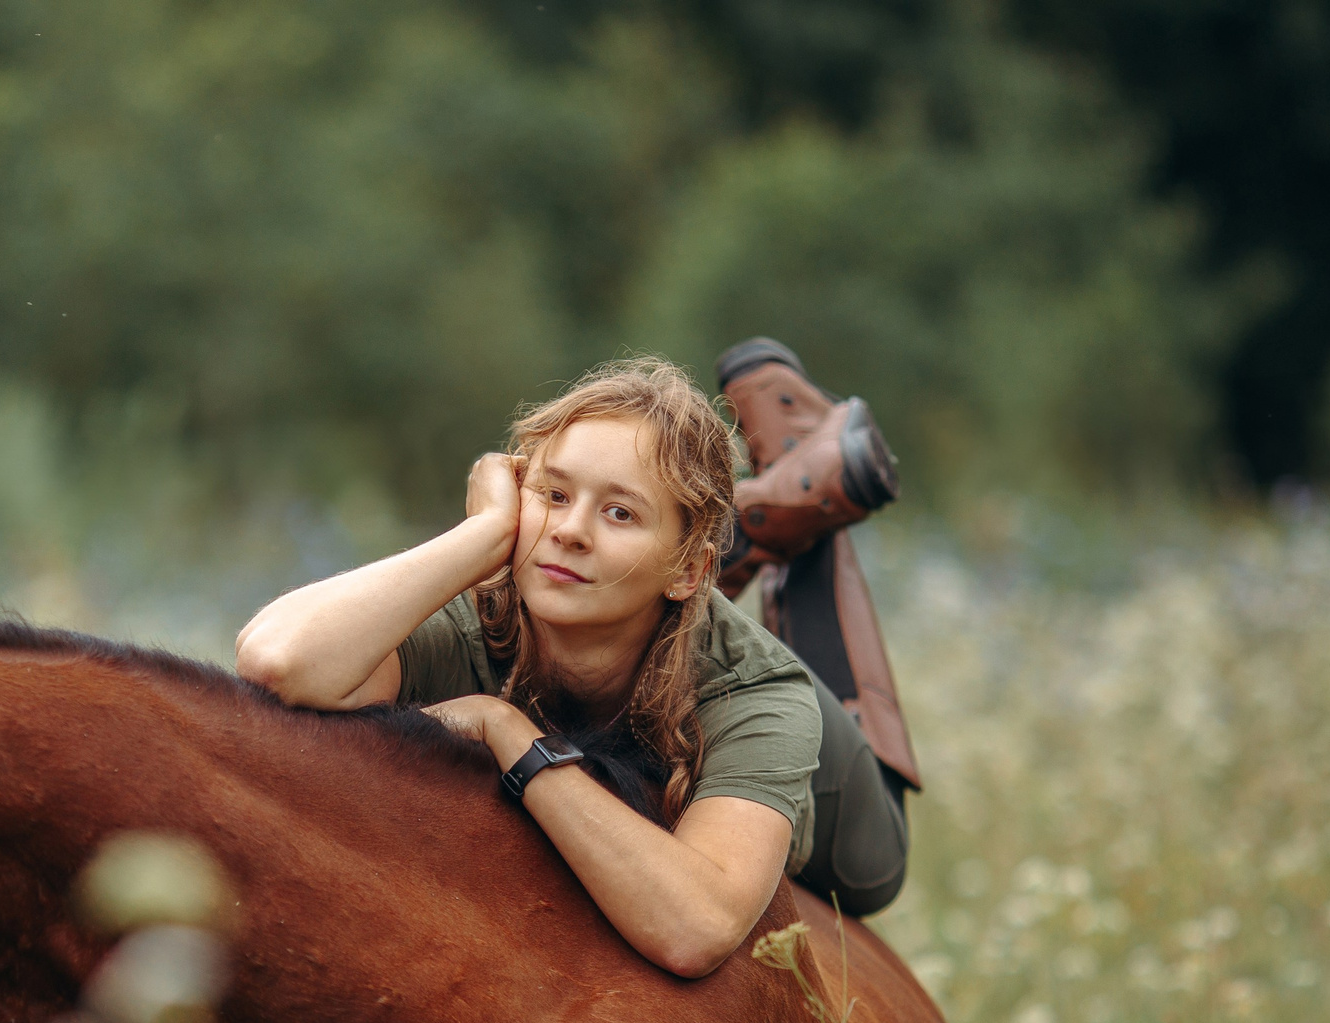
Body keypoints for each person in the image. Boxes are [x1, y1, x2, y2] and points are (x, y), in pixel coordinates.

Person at [236, 357, 907, 980]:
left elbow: (694, 927)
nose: (569, 530)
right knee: (620, 581)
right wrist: (485, 536)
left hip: (836, 795)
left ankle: (788, 516)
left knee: (876, 871)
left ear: (691, 568)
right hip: (661, 591)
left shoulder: (756, 688)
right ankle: (694, 526)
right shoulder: (477, 609)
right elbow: (278, 661)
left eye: (619, 511)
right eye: (552, 495)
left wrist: (509, 733)